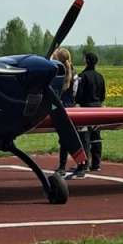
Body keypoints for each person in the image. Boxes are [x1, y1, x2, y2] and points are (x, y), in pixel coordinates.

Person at [76, 50, 106, 171]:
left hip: (86, 109)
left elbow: (79, 94)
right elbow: (103, 95)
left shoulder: (82, 76)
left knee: (85, 137)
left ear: (87, 61)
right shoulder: (100, 76)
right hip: (98, 108)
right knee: (97, 136)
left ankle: (85, 164)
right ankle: (97, 163)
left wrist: (78, 103)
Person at [52, 46, 77, 175]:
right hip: (73, 107)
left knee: (64, 138)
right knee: (78, 136)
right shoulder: (75, 72)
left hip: (62, 108)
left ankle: (62, 166)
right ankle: (84, 164)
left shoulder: (57, 73)